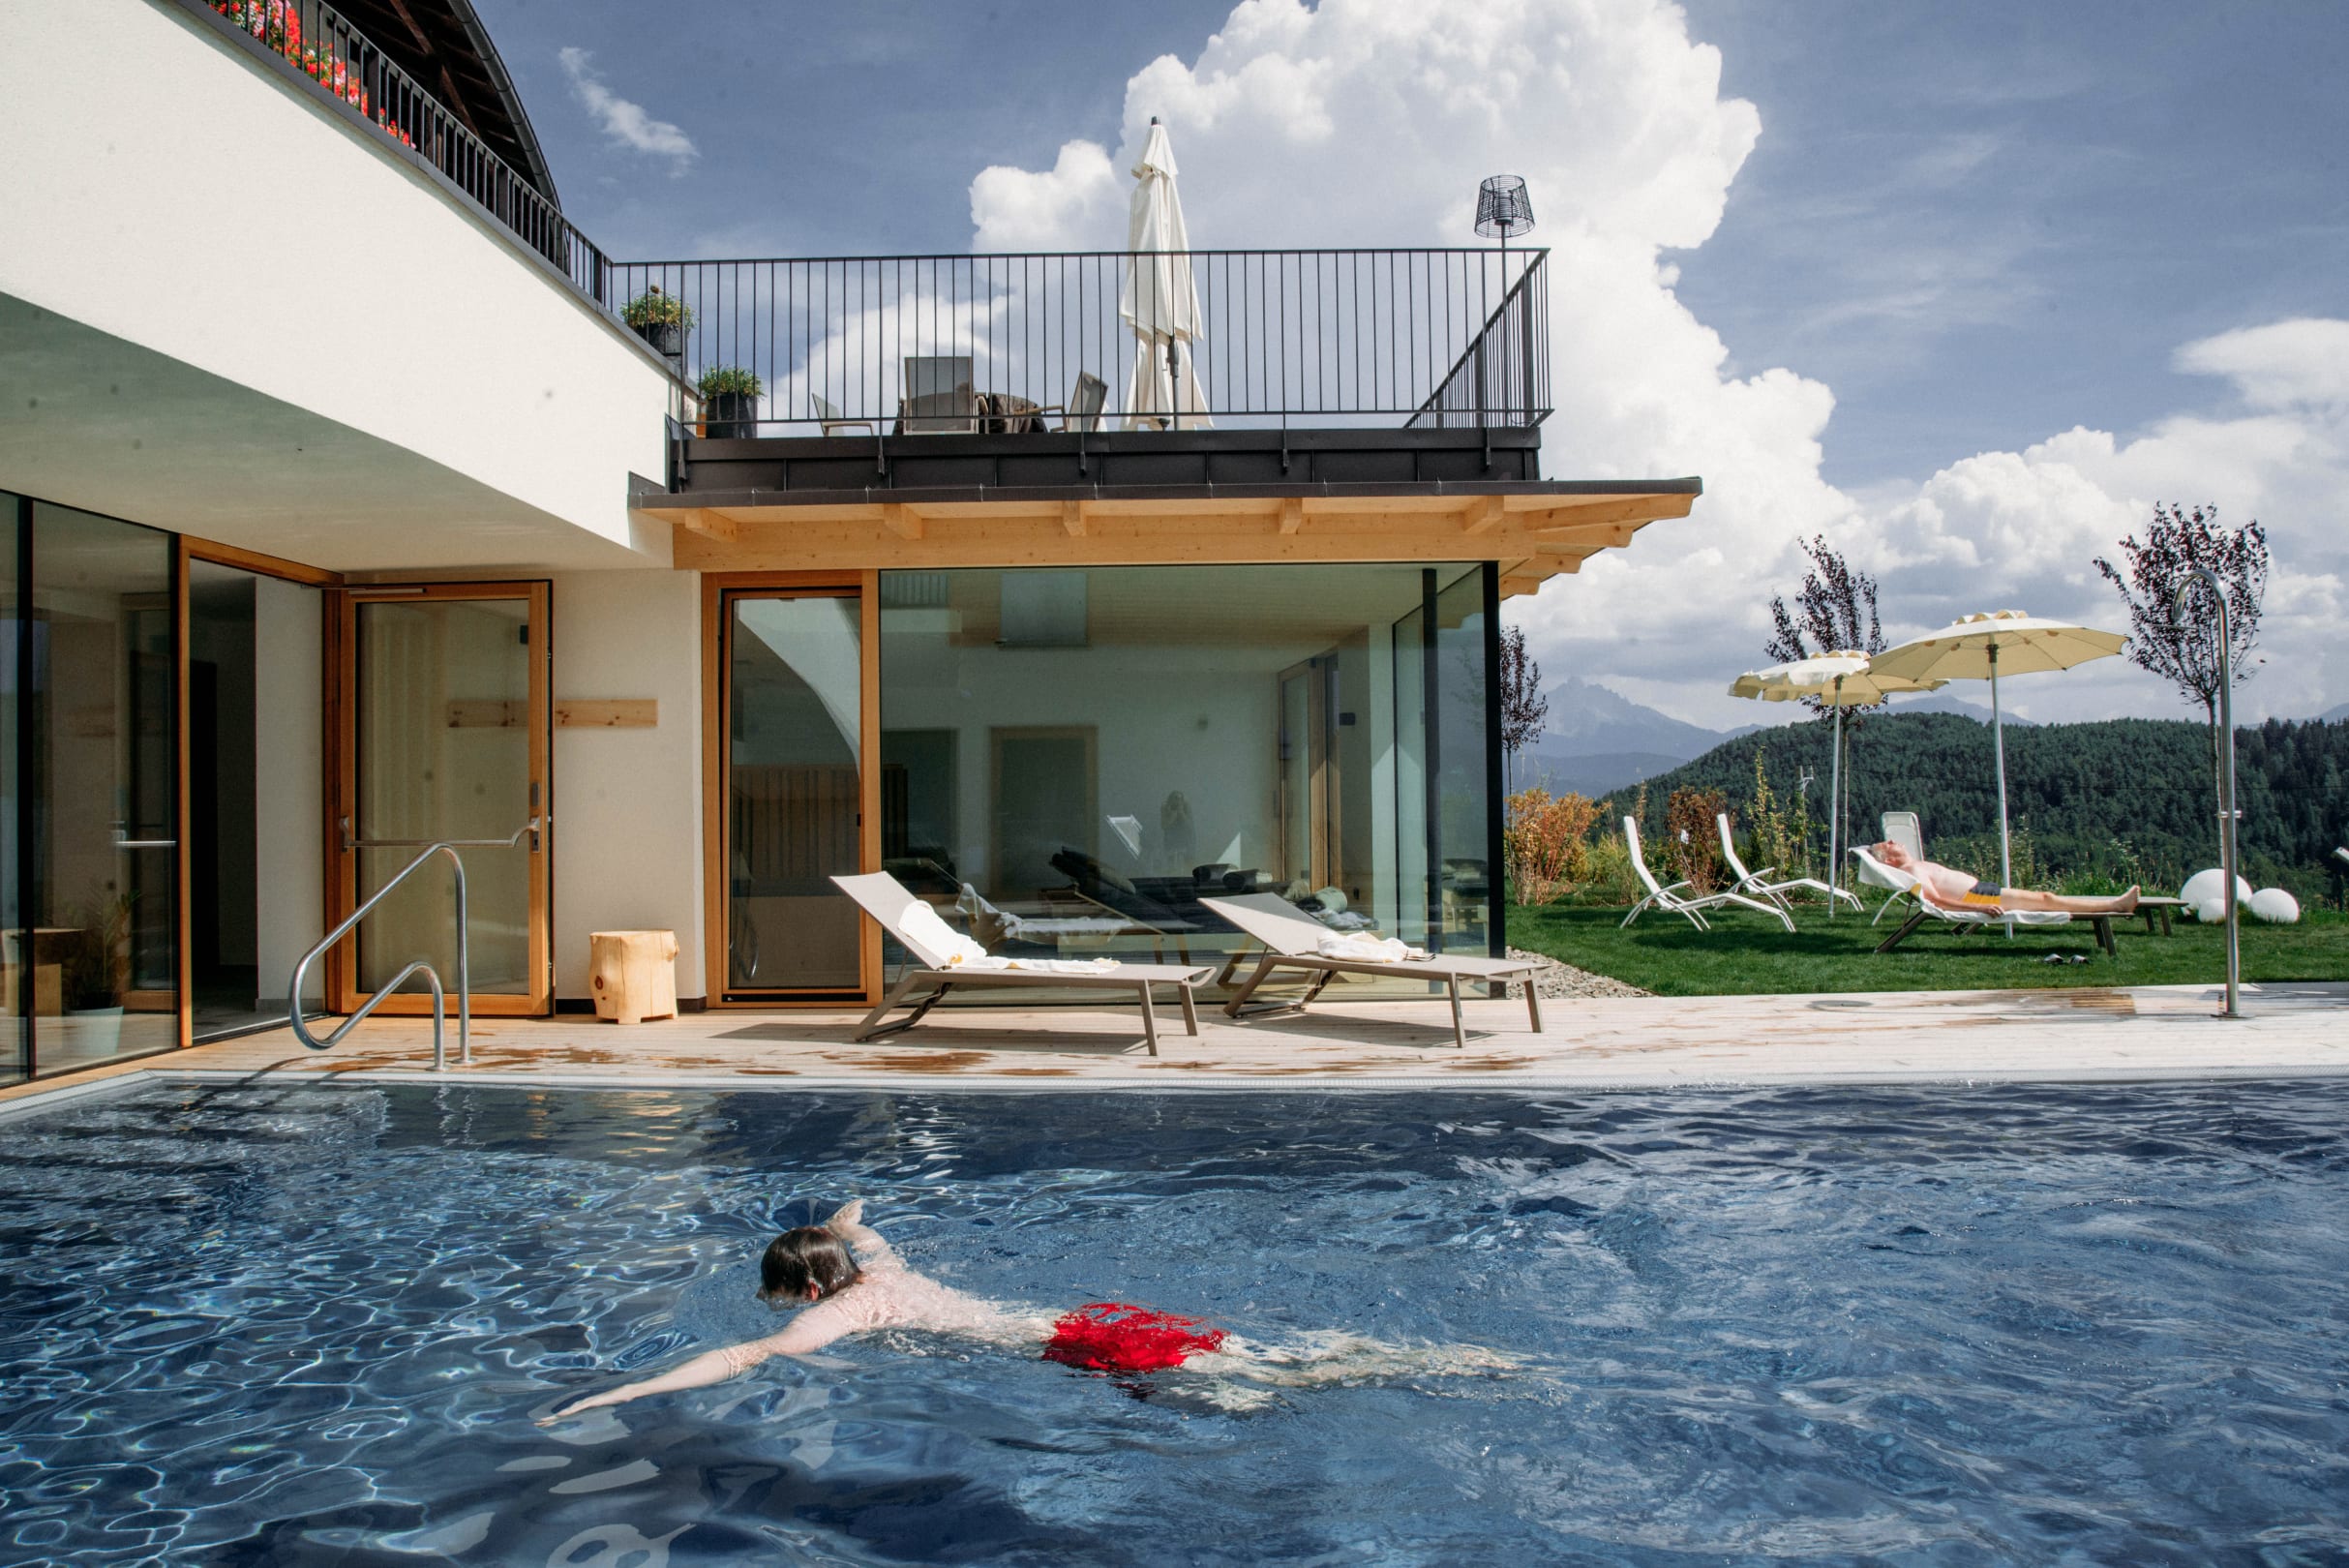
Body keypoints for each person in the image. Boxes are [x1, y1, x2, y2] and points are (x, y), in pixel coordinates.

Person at [539, 1201, 1502, 1423]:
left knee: (1281, 1384)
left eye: (779, 1291)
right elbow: (863, 1233)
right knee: (1267, 1356)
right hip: (1088, 1316)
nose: (776, 1306)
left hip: (1082, 1351)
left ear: (806, 1293)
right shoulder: (885, 1275)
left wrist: (615, 1394)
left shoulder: (838, 1320)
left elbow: (740, 1360)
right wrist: (839, 1223)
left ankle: (1412, 1370)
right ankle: (1434, 1358)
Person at [1874, 840, 2139, 916]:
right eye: (1887, 844)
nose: (1893, 840)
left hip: (1980, 891)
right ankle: (2117, 905)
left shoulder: (1915, 865)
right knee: (2046, 899)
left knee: (2045, 899)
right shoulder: (1912, 871)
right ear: (1888, 860)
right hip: (1977, 897)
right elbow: (1936, 901)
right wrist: (1980, 908)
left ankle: (2115, 904)